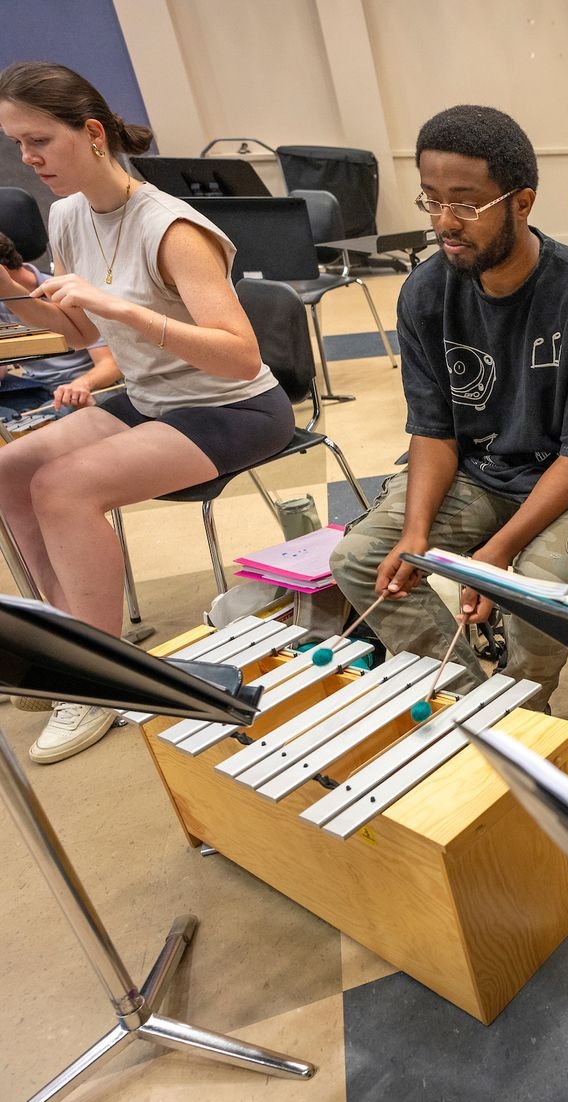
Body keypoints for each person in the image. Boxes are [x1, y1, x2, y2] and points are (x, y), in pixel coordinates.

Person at [0, 62, 294, 764]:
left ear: (92, 132)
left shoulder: (170, 227)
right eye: (17, 145)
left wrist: (122, 308)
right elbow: (79, 333)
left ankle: (102, 681)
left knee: (62, 488)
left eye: (39, 140)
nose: (28, 158)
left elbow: (239, 356)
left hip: (233, 405)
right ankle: (70, 644)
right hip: (151, 397)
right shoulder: (67, 214)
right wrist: (13, 288)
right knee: (10, 471)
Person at [329, 104, 568, 714]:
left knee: (536, 588)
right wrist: (416, 537)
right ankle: (470, 701)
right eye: (431, 201)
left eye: (466, 204)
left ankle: (524, 709)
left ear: (521, 203)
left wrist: (495, 556)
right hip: (483, 468)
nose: (444, 223)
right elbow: (433, 430)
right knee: (362, 557)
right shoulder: (426, 292)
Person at [0, 230, 122, 420]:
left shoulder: (66, 289)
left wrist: (81, 384)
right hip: (35, 386)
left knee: (51, 417)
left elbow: (111, 364)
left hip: (82, 384)